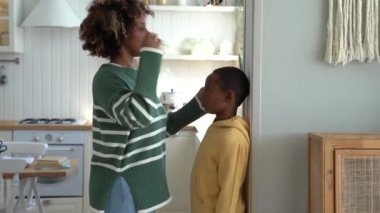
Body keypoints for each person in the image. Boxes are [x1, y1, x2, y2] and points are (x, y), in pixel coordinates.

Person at [79, 0, 205, 212]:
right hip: (122, 183)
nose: (150, 35)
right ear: (118, 33)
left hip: (140, 186)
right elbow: (137, 117)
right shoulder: (107, 78)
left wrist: (199, 104)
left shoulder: (135, 76)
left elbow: (158, 127)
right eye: (140, 28)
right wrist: (151, 57)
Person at [191, 66, 250, 213]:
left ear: (228, 97)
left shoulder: (232, 139)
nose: (201, 94)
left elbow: (229, 196)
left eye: (208, 90)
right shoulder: (218, 128)